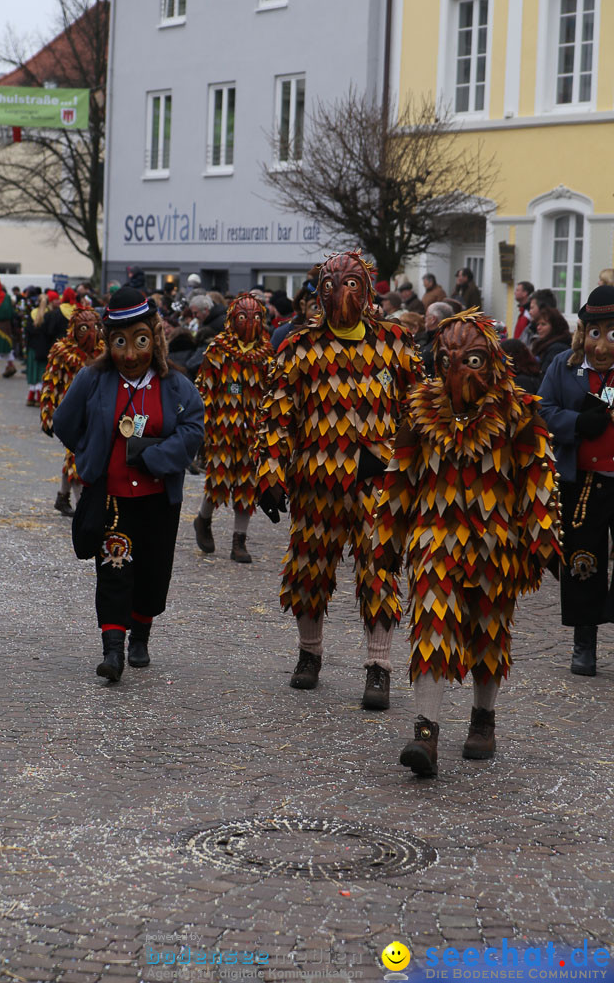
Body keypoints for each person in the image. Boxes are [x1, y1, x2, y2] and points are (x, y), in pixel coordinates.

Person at [369, 309, 561, 776]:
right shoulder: (421, 408)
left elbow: (538, 476)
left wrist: (546, 540)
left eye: (471, 360)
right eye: (448, 361)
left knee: (488, 633)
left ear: (491, 361)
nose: (458, 372)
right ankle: (426, 734)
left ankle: (483, 718)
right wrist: (387, 539)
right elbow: (402, 475)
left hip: (499, 540)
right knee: (432, 624)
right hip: (436, 534)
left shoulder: (518, 410)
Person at [257, 249, 423, 708]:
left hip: (377, 484)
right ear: (318, 294)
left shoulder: (395, 344)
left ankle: (379, 667)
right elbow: (277, 416)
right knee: (309, 569)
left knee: (380, 571)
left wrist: (396, 461)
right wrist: (269, 473)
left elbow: (419, 413)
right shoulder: (300, 347)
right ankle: (309, 654)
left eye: (351, 284)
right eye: (331, 285)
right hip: (316, 481)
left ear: (367, 291)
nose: (341, 294)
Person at [52, 287, 204, 682]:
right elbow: (64, 423)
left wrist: (157, 457)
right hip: (113, 498)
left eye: (139, 341)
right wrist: (91, 454)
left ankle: (141, 634)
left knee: (153, 573)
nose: (131, 354)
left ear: (154, 338)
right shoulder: (93, 378)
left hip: (157, 499)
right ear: (109, 343)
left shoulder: (176, 385)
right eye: (120, 343)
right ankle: (113, 649)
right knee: (115, 569)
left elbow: (193, 430)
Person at [538, 285, 614, 677]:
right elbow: (543, 409)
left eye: (612, 332)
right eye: (595, 331)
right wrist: (575, 423)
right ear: (585, 332)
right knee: (583, 561)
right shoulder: (565, 367)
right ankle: (584, 644)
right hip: (583, 482)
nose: (602, 344)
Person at [193, 293, 273, 564]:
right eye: (243, 317)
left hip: (253, 429)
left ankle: (239, 540)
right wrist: (201, 425)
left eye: (255, 318)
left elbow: (272, 392)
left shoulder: (266, 353)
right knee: (218, 479)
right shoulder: (219, 348)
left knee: (247, 484)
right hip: (222, 427)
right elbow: (204, 388)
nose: (249, 322)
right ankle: (203, 519)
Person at [41, 306, 105, 516]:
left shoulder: (103, 352)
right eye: (84, 327)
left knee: (76, 454)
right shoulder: (62, 352)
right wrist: (47, 414)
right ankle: (81, 506)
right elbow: (50, 384)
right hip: (70, 414)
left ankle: (62, 496)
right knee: (75, 456)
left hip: (95, 412)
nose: (90, 333)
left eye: (94, 327)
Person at [25, 294, 55, 407]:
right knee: (41, 372)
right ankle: (39, 398)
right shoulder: (50, 315)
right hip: (45, 348)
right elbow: (51, 332)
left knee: (33, 371)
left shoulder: (32, 314)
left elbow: (27, 332)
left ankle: (30, 397)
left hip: (33, 348)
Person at [531, 305, 572, 381]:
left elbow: (546, 378)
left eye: (543, 324)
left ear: (554, 327)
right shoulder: (542, 345)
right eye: (538, 324)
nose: (538, 328)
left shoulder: (557, 349)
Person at [418, 302, 452, 376]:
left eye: (426, 316)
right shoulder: (449, 336)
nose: (424, 319)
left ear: (433, 319)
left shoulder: (440, 341)